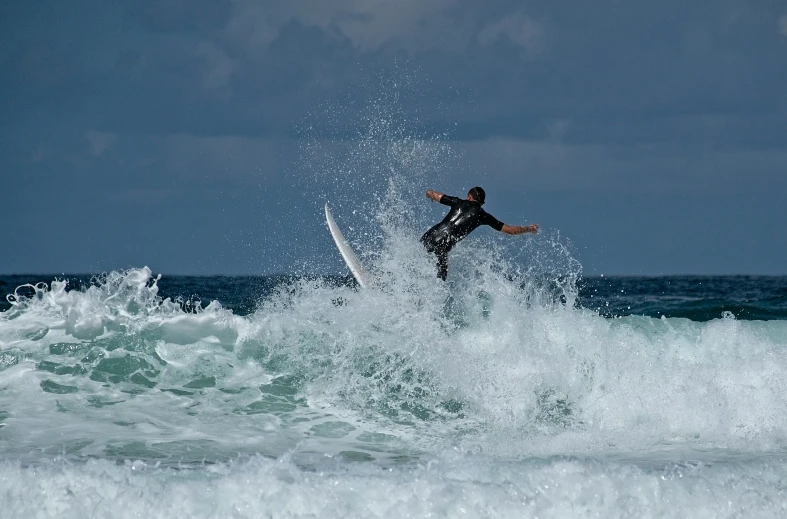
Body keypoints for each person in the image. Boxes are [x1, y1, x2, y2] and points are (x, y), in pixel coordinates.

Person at [420, 186, 538, 280]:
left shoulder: (457, 202)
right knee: (439, 281)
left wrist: (429, 193)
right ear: (482, 203)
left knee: (416, 261)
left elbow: (434, 195)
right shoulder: (482, 216)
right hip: (443, 247)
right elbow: (511, 230)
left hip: (429, 235)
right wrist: (529, 228)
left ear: (469, 197)